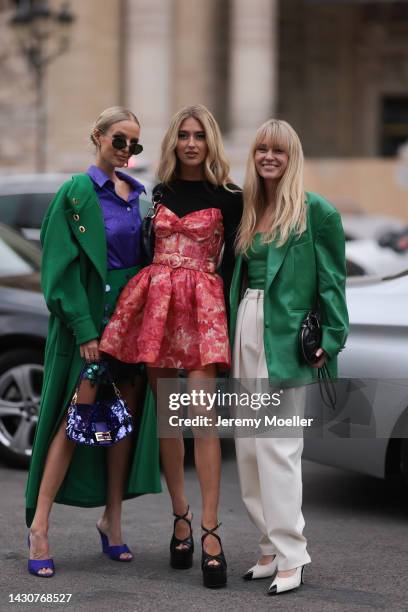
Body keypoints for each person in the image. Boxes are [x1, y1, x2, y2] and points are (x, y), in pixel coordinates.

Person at [100, 104, 243, 588]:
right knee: (168, 421)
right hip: (157, 305)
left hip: (203, 308)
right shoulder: (157, 193)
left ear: (211, 141)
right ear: (173, 141)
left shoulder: (229, 197)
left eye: (199, 135)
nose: (190, 143)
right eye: (183, 134)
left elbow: (238, 263)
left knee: (202, 420)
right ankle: (180, 517)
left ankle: (209, 529)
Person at [25, 107, 161, 578]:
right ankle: (40, 526)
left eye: (134, 145)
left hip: (132, 326)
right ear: (98, 137)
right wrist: (84, 329)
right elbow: (57, 270)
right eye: (119, 140)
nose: (125, 150)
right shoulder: (76, 192)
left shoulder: (138, 197)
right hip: (91, 324)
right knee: (74, 420)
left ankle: (113, 520)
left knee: (120, 424)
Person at [229, 119, 348, 595]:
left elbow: (333, 282)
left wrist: (332, 337)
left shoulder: (315, 211)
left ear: (291, 155)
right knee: (248, 446)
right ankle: (268, 544)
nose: (268, 157)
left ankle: (292, 553)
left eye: (278, 150)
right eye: (261, 149)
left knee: (278, 445)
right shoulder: (249, 206)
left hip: (287, 334)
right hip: (246, 324)